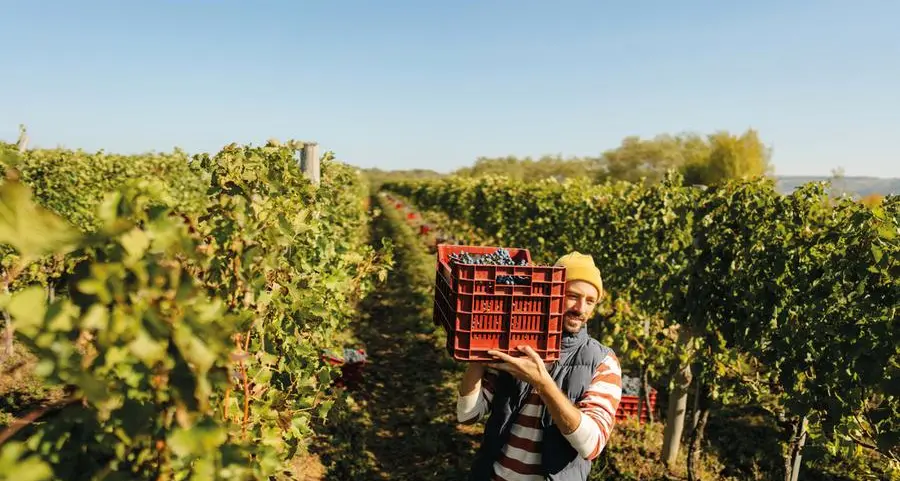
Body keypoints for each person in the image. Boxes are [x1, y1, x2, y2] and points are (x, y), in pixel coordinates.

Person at [457, 252, 622, 481]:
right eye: (572, 296)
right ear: (551, 292)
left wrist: (542, 383)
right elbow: (467, 415)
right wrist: (477, 356)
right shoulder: (516, 344)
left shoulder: (603, 362)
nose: (581, 308)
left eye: (590, 301)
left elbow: (591, 445)